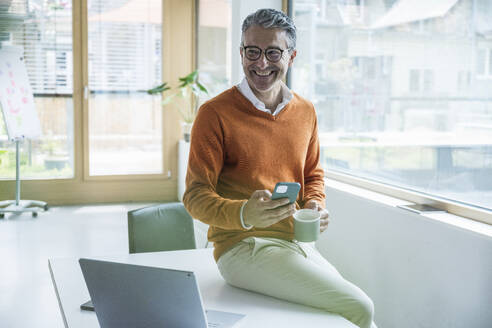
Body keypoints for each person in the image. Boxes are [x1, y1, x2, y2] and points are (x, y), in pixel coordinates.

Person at [183, 8, 377, 328]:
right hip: (241, 249)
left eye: (273, 52)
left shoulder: (306, 111)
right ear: (241, 52)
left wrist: (316, 204)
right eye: (252, 51)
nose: (261, 63)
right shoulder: (214, 114)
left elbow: (313, 174)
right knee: (360, 307)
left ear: (292, 55)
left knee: (345, 315)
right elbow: (195, 196)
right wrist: (245, 213)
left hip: (294, 243)